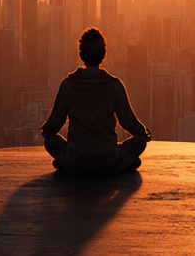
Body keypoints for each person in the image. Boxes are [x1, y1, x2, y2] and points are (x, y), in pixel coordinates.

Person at [41, 27, 152, 175]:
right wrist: (144, 133)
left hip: (76, 159)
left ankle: (66, 163)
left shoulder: (68, 85)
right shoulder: (114, 85)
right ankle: (122, 163)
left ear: (81, 54)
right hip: (108, 160)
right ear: (104, 54)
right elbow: (129, 123)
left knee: (50, 142)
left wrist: (45, 130)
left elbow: (54, 125)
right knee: (138, 144)